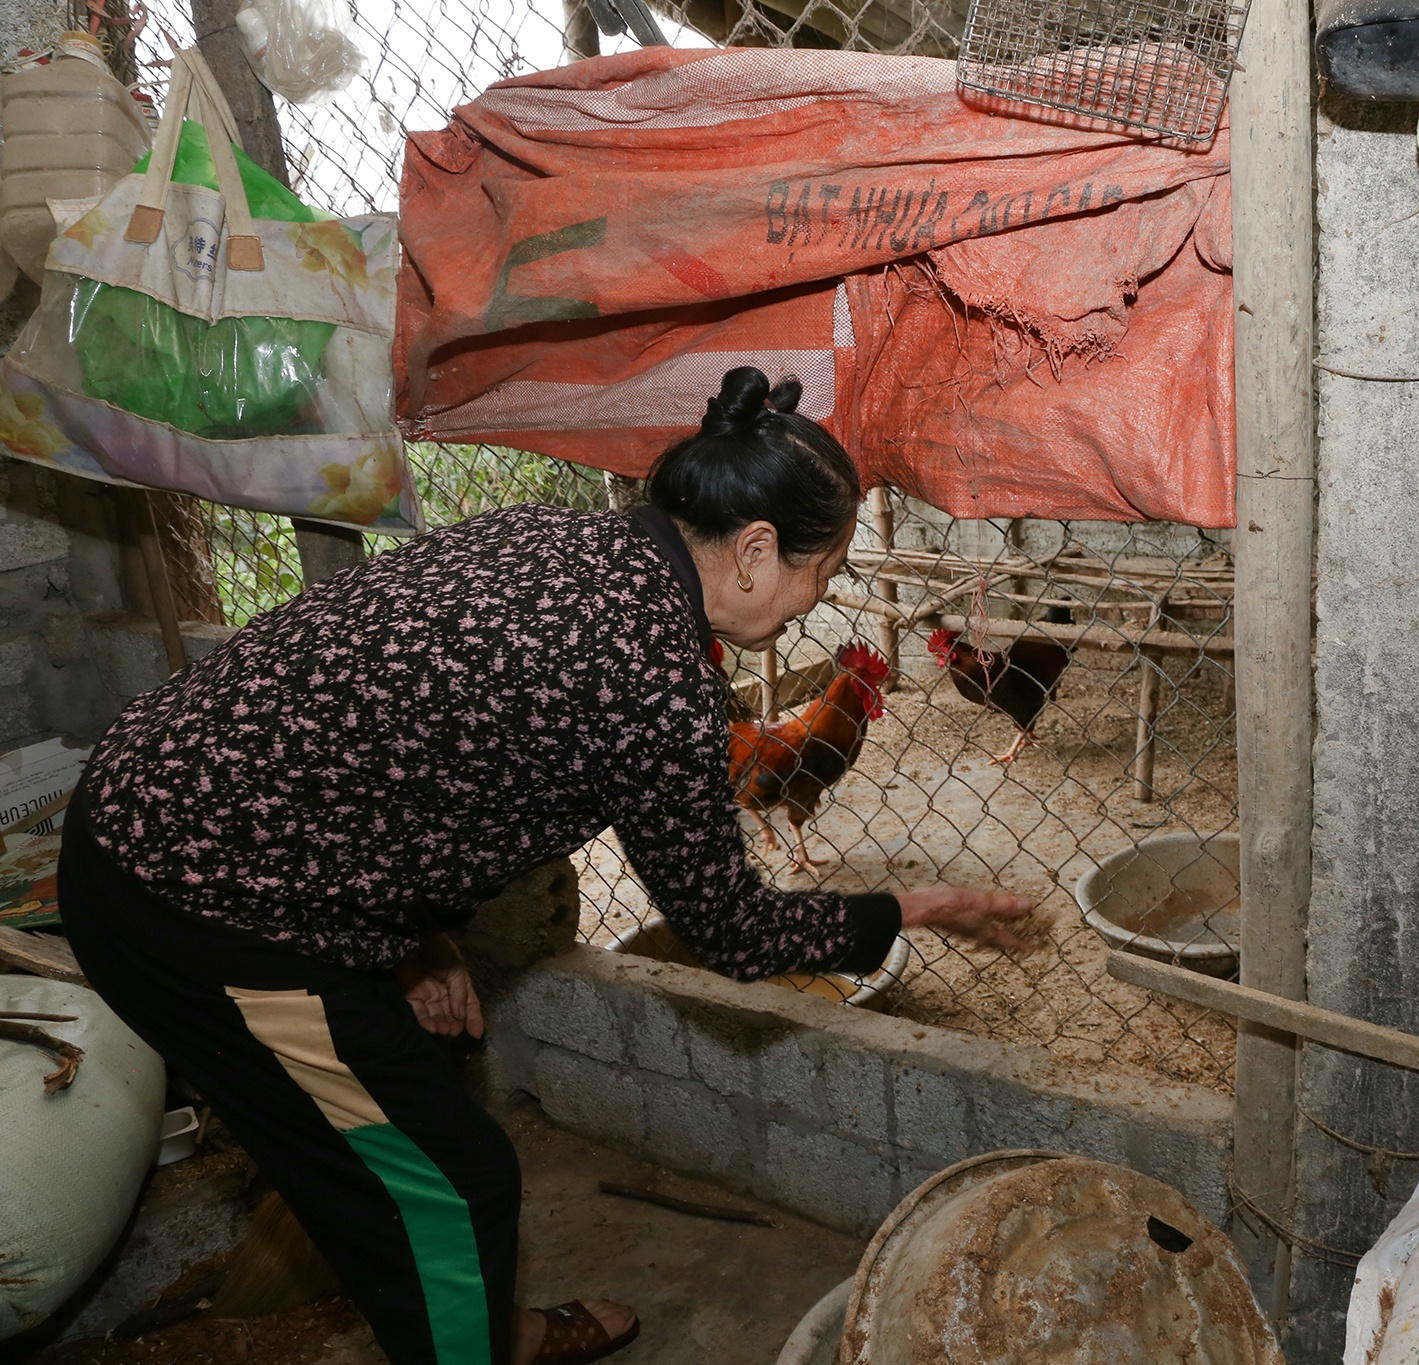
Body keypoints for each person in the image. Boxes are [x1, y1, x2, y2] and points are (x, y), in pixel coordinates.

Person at [60, 366, 1034, 1365]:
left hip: (184, 807)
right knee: (443, 1182)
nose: (814, 600)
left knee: (401, 1155)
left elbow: (407, 750)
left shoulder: (566, 536)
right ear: (751, 552)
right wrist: (911, 907)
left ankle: (487, 1332)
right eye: (818, 571)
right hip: (192, 899)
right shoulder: (655, 682)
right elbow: (734, 934)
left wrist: (415, 940)